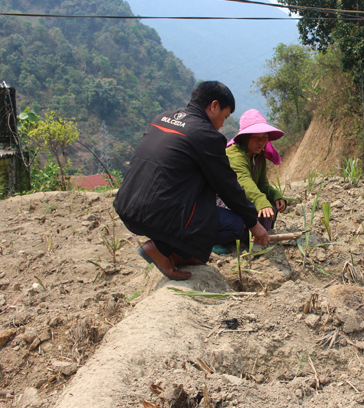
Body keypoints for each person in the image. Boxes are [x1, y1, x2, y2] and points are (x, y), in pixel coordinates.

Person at [113, 81, 270, 281]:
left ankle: (175, 250)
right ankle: (162, 250)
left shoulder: (161, 118)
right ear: (214, 106)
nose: (222, 123)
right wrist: (253, 222)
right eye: (225, 115)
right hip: (158, 214)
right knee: (236, 225)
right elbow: (227, 187)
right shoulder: (207, 135)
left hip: (128, 206)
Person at [210, 109, 286, 254]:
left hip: (242, 198)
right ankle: (216, 239)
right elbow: (243, 182)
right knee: (245, 214)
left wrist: (276, 196)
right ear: (245, 137)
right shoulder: (234, 155)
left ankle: (251, 237)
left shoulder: (259, 157)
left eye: (264, 137)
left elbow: (262, 184)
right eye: (256, 137)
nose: (261, 141)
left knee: (270, 207)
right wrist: (260, 201)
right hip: (221, 202)